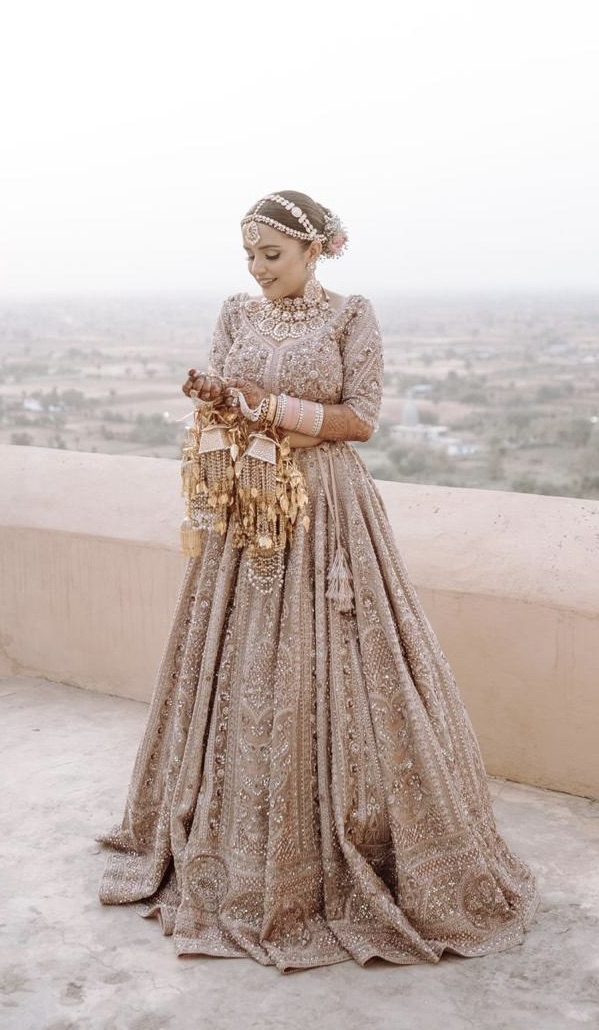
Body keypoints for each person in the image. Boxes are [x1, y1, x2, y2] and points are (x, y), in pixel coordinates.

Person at [96, 190, 538, 972]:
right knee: (238, 668)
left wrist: (269, 405)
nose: (257, 270)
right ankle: (229, 847)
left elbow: (361, 417)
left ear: (314, 251)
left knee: (334, 668)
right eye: (248, 255)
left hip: (326, 509)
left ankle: (338, 852)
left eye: (271, 254)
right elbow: (235, 405)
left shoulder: (350, 315)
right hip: (249, 503)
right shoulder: (235, 311)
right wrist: (219, 401)